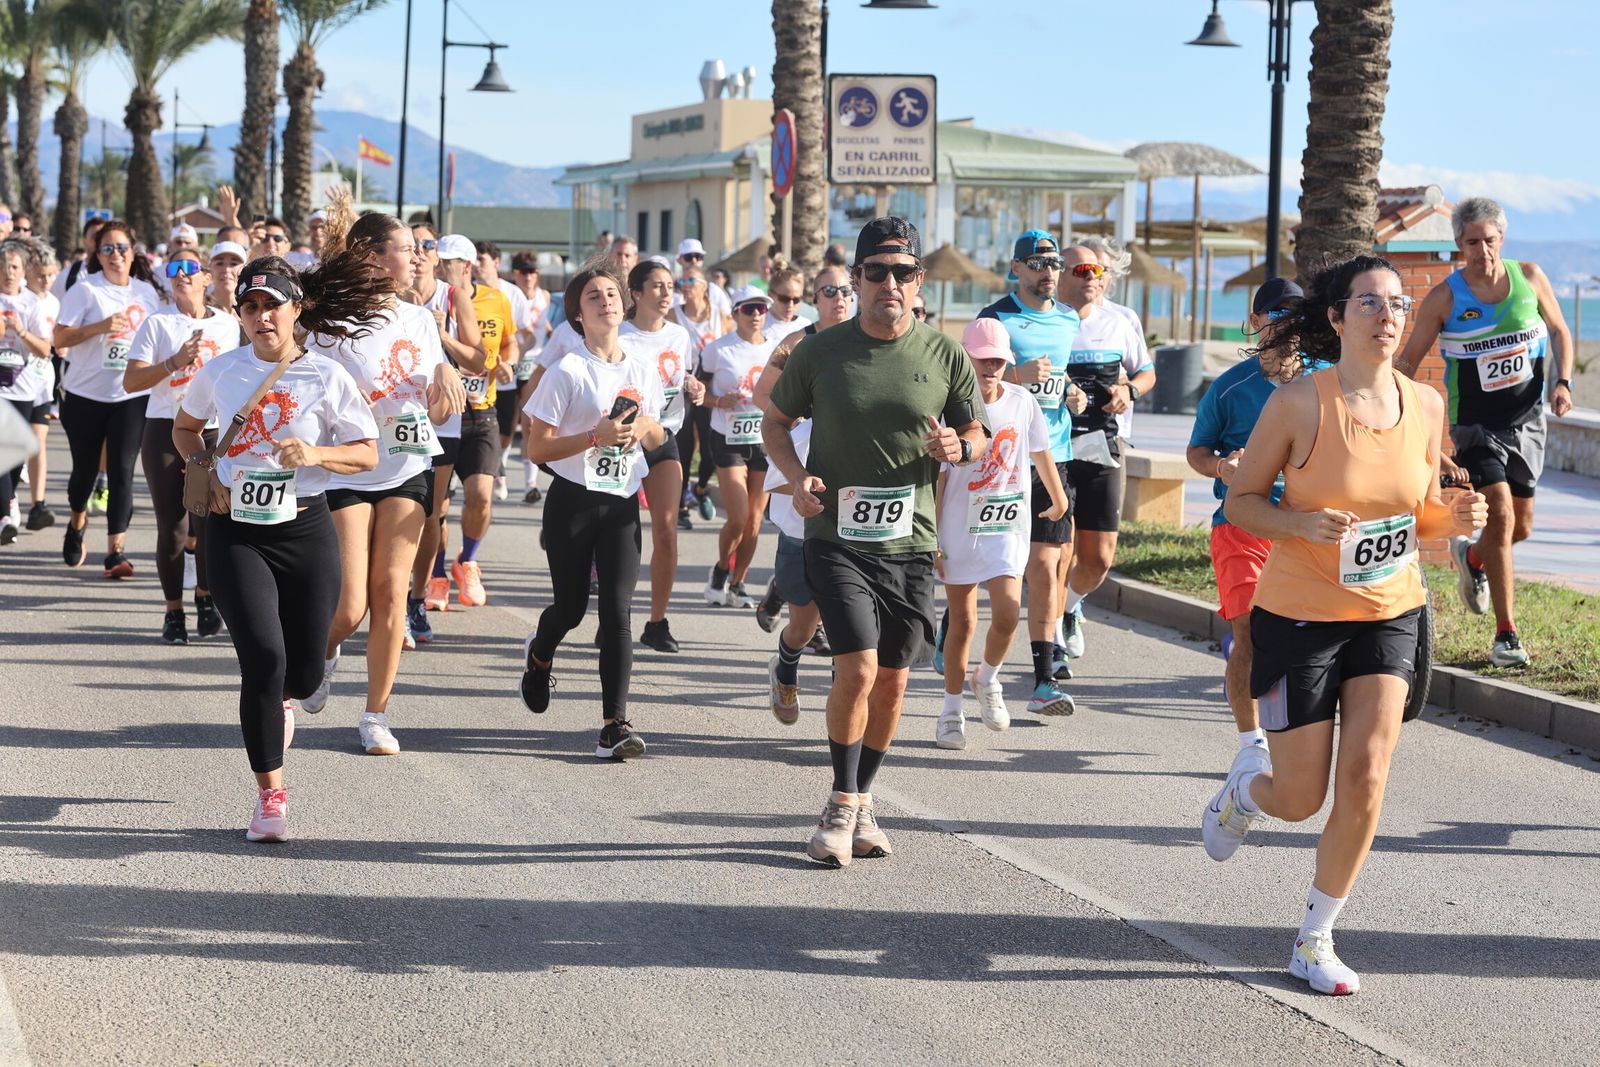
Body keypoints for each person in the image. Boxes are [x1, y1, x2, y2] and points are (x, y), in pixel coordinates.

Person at [1206, 254, 1487, 996]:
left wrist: (1453, 515)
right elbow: (1241, 503)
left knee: (1366, 773)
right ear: (1336, 318)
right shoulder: (1301, 403)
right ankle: (1243, 795)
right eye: (1368, 302)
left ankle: (1314, 936)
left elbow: (1420, 508)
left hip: (1389, 611)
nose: (1388, 314)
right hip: (1297, 616)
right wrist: (1299, 524)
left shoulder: (1423, 407)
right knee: (1300, 797)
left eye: (1397, 302)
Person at [765, 217, 990, 867]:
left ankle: (864, 802)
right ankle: (838, 802)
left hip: (911, 543)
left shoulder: (944, 354)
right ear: (857, 279)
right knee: (858, 667)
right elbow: (777, 422)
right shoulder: (820, 352)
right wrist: (794, 476)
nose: (889, 283)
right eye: (875, 272)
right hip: (835, 535)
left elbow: (978, 434)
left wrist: (960, 445)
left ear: (918, 282)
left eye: (902, 273)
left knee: (892, 681)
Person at [173, 255, 383, 843]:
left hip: (305, 528)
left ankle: (287, 700)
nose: (262, 316)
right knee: (263, 659)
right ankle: (271, 795)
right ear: (239, 313)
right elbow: (185, 428)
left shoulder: (326, 376)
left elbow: (366, 452)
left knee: (305, 669)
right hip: (237, 529)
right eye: (250, 306)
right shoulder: (220, 370)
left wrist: (315, 455)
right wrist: (203, 466)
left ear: (296, 310)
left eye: (273, 305)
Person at [301, 208, 466, 754]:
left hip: (408, 466)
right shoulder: (329, 321)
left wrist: (444, 376)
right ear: (373, 255)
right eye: (406, 247)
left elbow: (438, 413)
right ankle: (322, 654)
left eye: (419, 249)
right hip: (347, 467)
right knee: (349, 606)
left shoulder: (418, 318)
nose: (417, 255)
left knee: (391, 592)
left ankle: (376, 715)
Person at [1395, 197, 1575, 668]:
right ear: (1459, 245)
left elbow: (1559, 331)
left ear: (1502, 240)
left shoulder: (1530, 278)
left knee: (1521, 525)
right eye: (1472, 242)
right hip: (1475, 427)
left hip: (1528, 421)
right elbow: (1408, 363)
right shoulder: (1445, 299)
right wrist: (1397, 411)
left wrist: (1562, 381)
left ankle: (1472, 559)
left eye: (1489, 241)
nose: (1482, 251)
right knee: (1499, 515)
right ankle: (1506, 635)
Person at [519, 264, 666, 759]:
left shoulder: (643, 365)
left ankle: (613, 726)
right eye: (591, 297)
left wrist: (644, 425)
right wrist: (593, 437)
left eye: (610, 293)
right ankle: (540, 656)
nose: (604, 301)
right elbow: (536, 448)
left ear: (624, 304)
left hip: (622, 501)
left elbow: (662, 432)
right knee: (572, 608)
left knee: (619, 612)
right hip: (573, 502)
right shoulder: (568, 369)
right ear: (577, 316)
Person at [1185, 278, 1304, 785]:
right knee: (1248, 634)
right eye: (1276, 315)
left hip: (1303, 530)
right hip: (1240, 526)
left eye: (1295, 317)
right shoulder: (1230, 387)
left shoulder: (1326, 380)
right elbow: (1197, 452)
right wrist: (1221, 469)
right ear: (1256, 322)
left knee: (1306, 635)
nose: (1287, 327)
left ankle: (1297, 732)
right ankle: (1251, 745)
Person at [933, 318, 1069, 749]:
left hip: (1007, 524)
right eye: (982, 359)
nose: (990, 367)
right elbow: (938, 478)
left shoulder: (1021, 400)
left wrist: (1058, 495)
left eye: (997, 360)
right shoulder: (950, 407)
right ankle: (951, 711)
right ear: (966, 358)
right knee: (964, 621)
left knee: (1009, 614)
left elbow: (1039, 450)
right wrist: (934, 535)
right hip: (958, 524)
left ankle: (987, 678)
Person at [977, 229, 1085, 715]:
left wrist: (1073, 393)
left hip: (1051, 455)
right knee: (987, 565)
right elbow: (964, 380)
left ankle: (1044, 680)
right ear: (1016, 269)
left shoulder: (1068, 318)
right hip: (999, 460)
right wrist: (1015, 377)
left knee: (1044, 566)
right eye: (1037, 264)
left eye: (1054, 264)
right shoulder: (995, 319)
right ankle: (951, 628)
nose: (1048, 272)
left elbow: (1062, 377)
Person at [122, 245, 241, 642]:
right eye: (175, 267)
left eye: (192, 266)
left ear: (207, 278)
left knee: (209, 524)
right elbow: (131, 381)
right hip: (164, 428)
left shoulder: (227, 324)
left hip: (213, 432)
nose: (182, 273)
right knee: (173, 527)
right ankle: (174, 611)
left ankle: (205, 595)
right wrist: (173, 363)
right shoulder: (157, 324)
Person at [1054, 242, 1156, 661]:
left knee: (1098, 558)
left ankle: (1069, 609)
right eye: (1080, 270)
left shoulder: (1121, 320)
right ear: (1059, 274)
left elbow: (1146, 373)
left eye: (1098, 271)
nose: (1092, 278)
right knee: (1057, 553)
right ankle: (1051, 648)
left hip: (1105, 446)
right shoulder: (1042, 320)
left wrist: (1128, 390)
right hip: (1053, 449)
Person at [52, 219, 166, 575]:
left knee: (121, 470)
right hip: (85, 395)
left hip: (130, 395)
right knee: (84, 474)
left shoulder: (147, 293)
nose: (115, 255)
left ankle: (116, 552)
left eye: (121, 248)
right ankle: (77, 522)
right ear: (97, 255)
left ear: (133, 253)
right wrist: (100, 328)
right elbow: (59, 339)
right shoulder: (85, 291)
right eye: (107, 249)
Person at [752, 263, 856, 645]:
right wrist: (793, 423)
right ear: (815, 300)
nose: (839, 298)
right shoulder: (795, 344)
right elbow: (762, 394)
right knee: (799, 534)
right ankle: (793, 601)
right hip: (803, 453)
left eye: (846, 290)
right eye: (829, 292)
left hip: (848, 456)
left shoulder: (866, 339)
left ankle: (813, 618)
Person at [620, 259, 703, 652]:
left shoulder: (679, 336)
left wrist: (692, 384)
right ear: (635, 293)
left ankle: (657, 622)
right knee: (622, 537)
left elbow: (679, 378)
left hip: (664, 437)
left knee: (666, 530)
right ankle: (615, 618)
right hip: (623, 441)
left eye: (670, 285)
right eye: (656, 286)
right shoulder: (620, 336)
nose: (666, 293)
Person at [405, 227, 485, 627]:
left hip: (442, 421)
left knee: (430, 513)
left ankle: (418, 596)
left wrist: (443, 337)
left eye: (427, 246)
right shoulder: (384, 297)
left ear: (438, 255)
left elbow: (478, 360)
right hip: (393, 418)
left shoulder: (453, 298)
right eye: (411, 245)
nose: (419, 252)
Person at [699, 285, 779, 608]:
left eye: (761, 308)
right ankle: (720, 570)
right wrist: (719, 400)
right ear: (735, 314)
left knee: (755, 521)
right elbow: (697, 393)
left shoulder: (776, 348)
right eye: (749, 309)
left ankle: (738, 583)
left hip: (763, 439)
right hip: (728, 438)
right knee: (738, 517)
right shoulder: (718, 350)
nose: (757, 314)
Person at [0, 239, 53, 543]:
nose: (9, 272)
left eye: (15, 267)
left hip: (23, 388)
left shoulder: (32, 303)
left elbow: (45, 349)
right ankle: (6, 515)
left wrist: (19, 330)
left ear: (23, 271)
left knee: (15, 456)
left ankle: (8, 502)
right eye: (4, 267)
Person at [673, 260, 729, 527]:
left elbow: (732, 341)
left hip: (710, 388)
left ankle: (702, 488)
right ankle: (681, 504)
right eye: (681, 282)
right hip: (683, 389)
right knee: (684, 448)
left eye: (690, 281)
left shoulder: (718, 315)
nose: (685, 287)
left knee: (710, 451)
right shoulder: (674, 314)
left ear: (704, 286)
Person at [20, 238, 59, 527]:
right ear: (27, 272)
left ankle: (38, 504)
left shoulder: (55, 302)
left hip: (42, 383)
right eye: (40, 275)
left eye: (50, 274)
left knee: (37, 442)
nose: (46, 280)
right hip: (12, 383)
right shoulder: (17, 299)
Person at [508, 250, 551, 501]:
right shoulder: (510, 296)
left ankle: (530, 484)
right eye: (524, 272)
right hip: (512, 360)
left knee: (529, 422)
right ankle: (501, 473)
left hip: (536, 363)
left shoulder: (544, 296)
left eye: (533, 272)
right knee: (508, 421)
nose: (529, 277)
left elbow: (547, 326)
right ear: (516, 274)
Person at [763, 258, 810, 342]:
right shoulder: (759, 324)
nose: (790, 305)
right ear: (770, 295)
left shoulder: (806, 326)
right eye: (784, 299)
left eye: (796, 299)